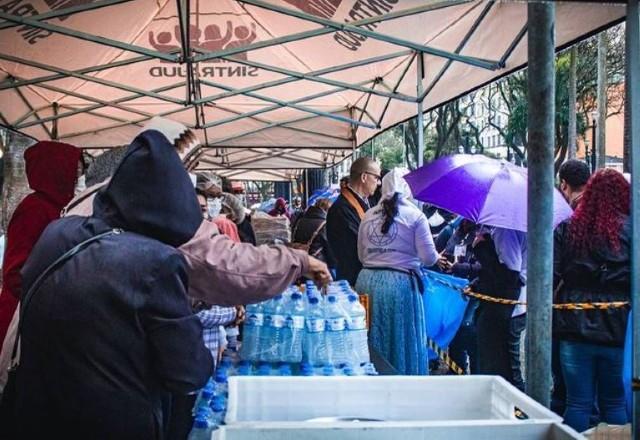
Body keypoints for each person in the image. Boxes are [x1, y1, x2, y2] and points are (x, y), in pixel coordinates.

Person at [8, 128, 213, 439]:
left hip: (34, 417)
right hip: (112, 424)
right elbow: (188, 372)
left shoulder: (57, 233)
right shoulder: (157, 261)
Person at [0, 141, 82, 391]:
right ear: (56, 170)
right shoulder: (36, 208)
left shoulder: (58, 208)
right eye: (74, 172)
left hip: (34, 311)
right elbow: (15, 271)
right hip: (20, 314)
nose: (77, 178)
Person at [553, 168, 630, 432]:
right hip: (619, 327)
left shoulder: (569, 227)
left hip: (573, 325)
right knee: (614, 402)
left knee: (577, 404)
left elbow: (550, 275)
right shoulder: (633, 231)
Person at [355, 168, 438, 375]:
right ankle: (402, 381)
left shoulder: (367, 216)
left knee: (370, 338)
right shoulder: (416, 216)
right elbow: (429, 258)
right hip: (400, 286)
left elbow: (361, 255)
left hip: (366, 283)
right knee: (401, 337)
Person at [472, 226, 527, 391]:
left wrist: (481, 248)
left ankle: (517, 412)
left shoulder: (505, 230)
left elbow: (511, 274)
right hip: (505, 305)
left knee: (505, 368)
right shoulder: (502, 229)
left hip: (507, 308)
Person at [327, 157, 381, 285]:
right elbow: (361, 243)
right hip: (352, 278)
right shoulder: (342, 208)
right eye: (376, 178)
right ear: (364, 177)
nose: (378, 183)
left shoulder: (359, 203)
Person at [436, 218, 481, 374]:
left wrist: (458, 267)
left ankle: (476, 371)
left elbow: (482, 268)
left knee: (467, 328)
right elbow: (449, 250)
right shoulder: (458, 230)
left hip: (474, 289)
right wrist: (443, 260)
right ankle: (456, 368)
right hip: (455, 289)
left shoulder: (483, 233)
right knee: (453, 325)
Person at [291, 198, 336, 270]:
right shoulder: (324, 225)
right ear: (327, 210)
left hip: (296, 262)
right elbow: (329, 250)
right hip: (315, 265)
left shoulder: (299, 221)